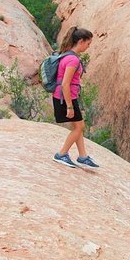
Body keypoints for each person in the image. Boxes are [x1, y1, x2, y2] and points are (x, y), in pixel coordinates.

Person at [52, 27, 100, 169]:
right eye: (88, 43)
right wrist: (70, 106)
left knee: (77, 126)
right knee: (79, 126)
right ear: (80, 41)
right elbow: (66, 84)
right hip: (66, 98)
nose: (88, 46)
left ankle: (83, 156)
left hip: (63, 97)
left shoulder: (67, 55)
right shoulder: (72, 59)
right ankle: (61, 154)